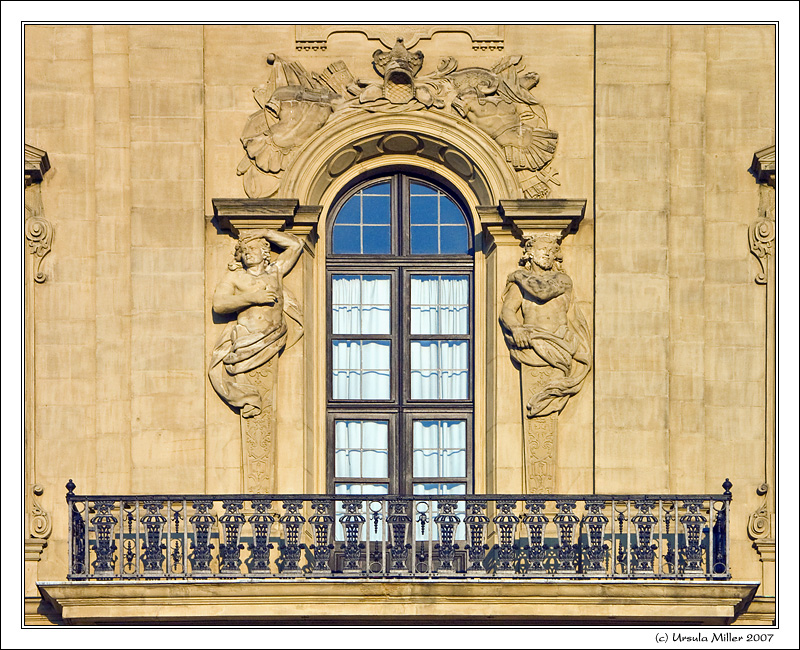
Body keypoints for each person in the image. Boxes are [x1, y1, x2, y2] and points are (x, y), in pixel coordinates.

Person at [208, 229, 303, 417]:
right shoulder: (235, 277)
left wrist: (265, 232)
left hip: (273, 337)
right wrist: (253, 298)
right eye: (244, 251)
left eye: (252, 248)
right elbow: (219, 304)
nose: (248, 253)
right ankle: (248, 401)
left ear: (264, 252)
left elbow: (296, 245)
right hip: (246, 342)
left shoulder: (275, 271)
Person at [500, 235, 591, 417]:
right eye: (543, 250)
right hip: (531, 343)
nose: (548, 255)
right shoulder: (519, 286)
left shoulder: (562, 279)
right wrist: (517, 328)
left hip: (560, 344)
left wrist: (518, 275)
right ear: (530, 254)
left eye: (551, 252)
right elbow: (507, 312)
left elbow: (542, 292)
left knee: (553, 392)